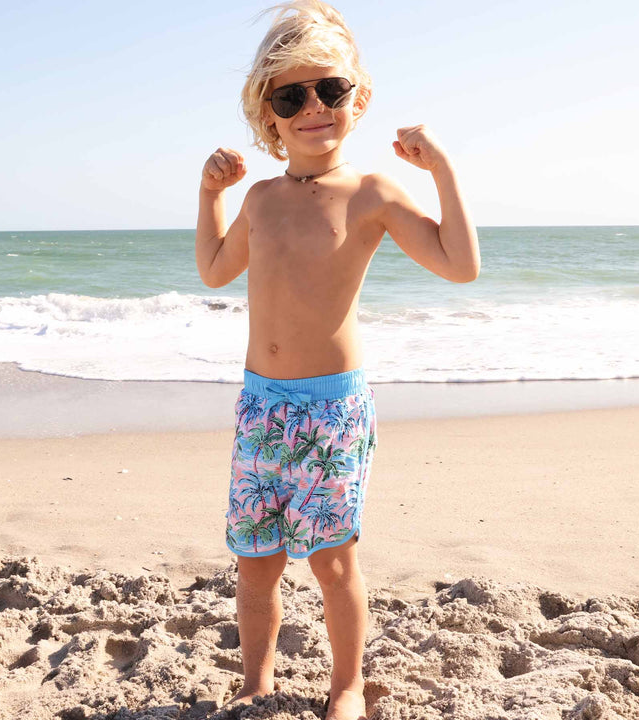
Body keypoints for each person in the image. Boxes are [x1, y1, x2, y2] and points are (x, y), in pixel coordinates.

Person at [195, 1, 480, 717]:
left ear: (359, 97)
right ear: (269, 115)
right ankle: (257, 683)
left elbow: (459, 264)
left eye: (330, 90)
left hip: (331, 411)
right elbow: (213, 271)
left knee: (332, 562)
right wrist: (210, 197)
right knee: (255, 564)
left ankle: (346, 685)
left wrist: (441, 166)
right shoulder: (258, 200)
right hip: (262, 407)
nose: (313, 108)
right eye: (291, 96)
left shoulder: (371, 194)